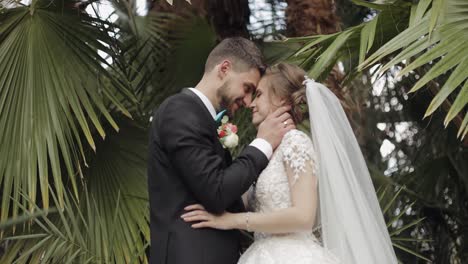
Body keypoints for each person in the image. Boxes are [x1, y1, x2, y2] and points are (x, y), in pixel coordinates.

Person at [182, 63, 398, 264]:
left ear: (283, 101)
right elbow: (240, 199)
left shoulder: (295, 142)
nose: (251, 104)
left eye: (258, 95)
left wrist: (232, 220)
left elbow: (303, 217)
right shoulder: (266, 151)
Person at [147, 38, 295, 264]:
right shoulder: (180, 111)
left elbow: (229, 200)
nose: (247, 101)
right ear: (224, 69)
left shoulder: (202, 118)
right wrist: (262, 143)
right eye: (247, 89)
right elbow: (216, 192)